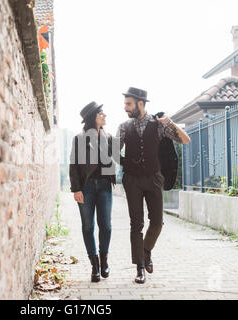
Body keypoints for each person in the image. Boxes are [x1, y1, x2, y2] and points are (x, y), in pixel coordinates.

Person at [117, 87, 190, 284]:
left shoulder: (158, 125)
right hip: (132, 180)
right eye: (125, 104)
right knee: (136, 224)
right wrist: (126, 163)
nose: (125, 108)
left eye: (128, 104)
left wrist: (170, 122)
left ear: (141, 103)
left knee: (157, 222)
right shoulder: (124, 126)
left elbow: (185, 139)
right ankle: (139, 267)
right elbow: (113, 152)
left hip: (154, 178)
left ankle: (146, 251)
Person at [69, 101, 116, 282]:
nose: (105, 116)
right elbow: (73, 166)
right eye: (101, 113)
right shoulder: (79, 139)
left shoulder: (109, 137)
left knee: (106, 226)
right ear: (92, 117)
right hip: (86, 188)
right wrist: (76, 189)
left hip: (104, 186)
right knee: (88, 227)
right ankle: (94, 265)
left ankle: (104, 260)